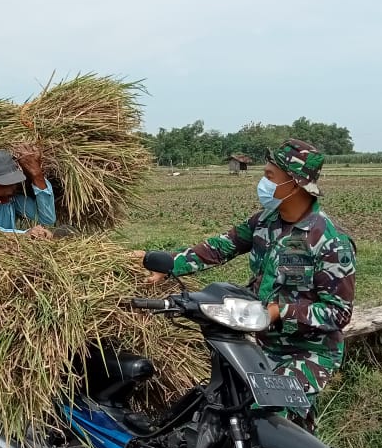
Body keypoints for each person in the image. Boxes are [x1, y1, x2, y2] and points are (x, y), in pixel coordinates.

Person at [141, 139, 356, 432]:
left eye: (269, 176)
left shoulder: (330, 241)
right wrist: (169, 264)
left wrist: (282, 312)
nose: (262, 183)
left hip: (308, 351)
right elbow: (221, 247)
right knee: (226, 407)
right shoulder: (265, 221)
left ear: (294, 183)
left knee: (271, 419)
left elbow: (338, 313)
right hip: (261, 342)